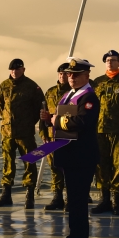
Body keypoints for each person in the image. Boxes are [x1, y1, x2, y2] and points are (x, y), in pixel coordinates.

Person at [41, 58, 100, 238]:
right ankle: (74, 236)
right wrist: (50, 119)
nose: (71, 78)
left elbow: (83, 121)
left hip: (81, 156)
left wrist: (57, 120)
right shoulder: (69, 95)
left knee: (77, 200)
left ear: (86, 75)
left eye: (76, 75)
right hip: (70, 154)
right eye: (69, 74)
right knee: (73, 199)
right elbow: (64, 119)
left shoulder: (88, 98)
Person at [0, 59, 49, 208]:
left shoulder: (32, 86)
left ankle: (29, 195)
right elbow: (0, 106)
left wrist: (29, 122)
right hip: (7, 133)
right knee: (7, 163)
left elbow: (40, 107)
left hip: (25, 133)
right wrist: (8, 121)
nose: (15, 72)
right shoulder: (4, 85)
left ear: (23, 69)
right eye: (12, 70)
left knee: (29, 162)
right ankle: (6, 194)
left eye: (17, 69)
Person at [91, 50, 119, 215]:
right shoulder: (97, 83)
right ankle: (104, 199)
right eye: (107, 60)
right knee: (101, 165)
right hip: (99, 131)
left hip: (118, 131)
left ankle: (116, 201)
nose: (110, 62)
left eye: (113, 60)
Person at [43, 64, 71, 211]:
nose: (63, 76)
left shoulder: (73, 93)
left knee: (68, 167)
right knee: (54, 167)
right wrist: (43, 133)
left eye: (65, 73)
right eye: (60, 73)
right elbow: (43, 113)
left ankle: (69, 198)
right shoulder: (50, 92)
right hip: (51, 136)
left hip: (67, 135)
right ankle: (57, 196)